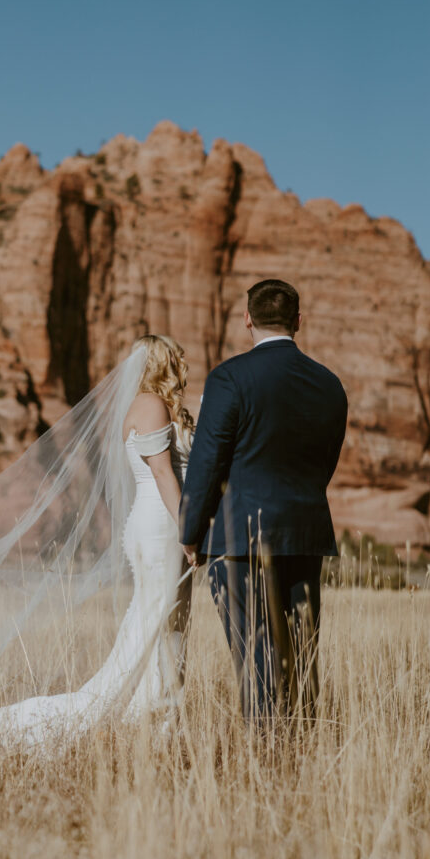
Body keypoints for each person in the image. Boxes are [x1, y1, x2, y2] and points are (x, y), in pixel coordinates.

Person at [0, 335, 194, 747]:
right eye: (178, 356)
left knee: (166, 630)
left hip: (160, 524)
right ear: (164, 362)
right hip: (162, 527)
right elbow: (163, 474)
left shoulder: (156, 406)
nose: (184, 362)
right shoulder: (151, 405)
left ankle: (156, 731)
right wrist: (190, 532)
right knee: (147, 632)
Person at [180, 279, 348, 721]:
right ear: (297, 321)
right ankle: (303, 752)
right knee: (302, 653)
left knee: (256, 654)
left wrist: (191, 531)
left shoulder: (229, 377)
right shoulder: (329, 384)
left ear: (247, 319)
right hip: (306, 533)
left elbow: (207, 462)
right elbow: (325, 463)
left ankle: (269, 760)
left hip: (239, 538)